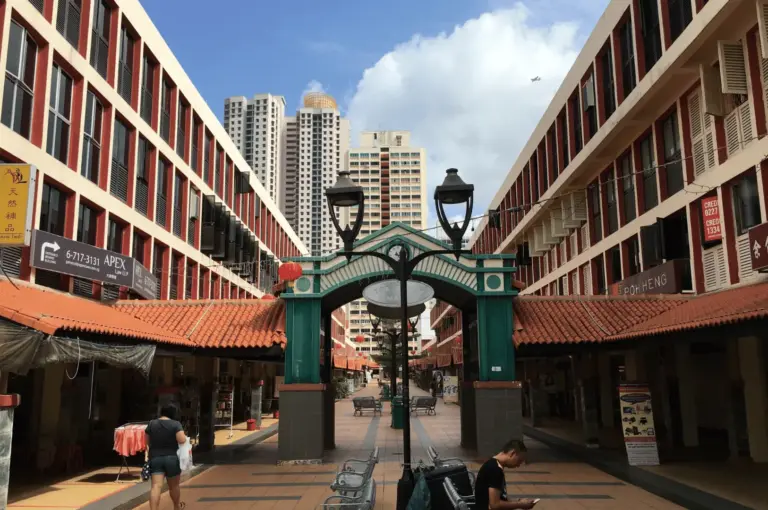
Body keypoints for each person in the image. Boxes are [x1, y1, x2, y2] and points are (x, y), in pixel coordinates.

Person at [145, 405, 187, 510]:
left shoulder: (151, 424)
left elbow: (146, 443)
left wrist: (146, 457)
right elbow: (181, 440)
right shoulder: (175, 424)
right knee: (174, 486)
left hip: (155, 458)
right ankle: (176, 507)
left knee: (155, 487)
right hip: (171, 458)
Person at [474, 439, 536, 510]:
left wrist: (519, 503)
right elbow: (494, 505)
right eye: (519, 461)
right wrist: (521, 504)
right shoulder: (495, 469)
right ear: (512, 453)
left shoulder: (493, 464)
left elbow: (501, 497)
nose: (518, 465)